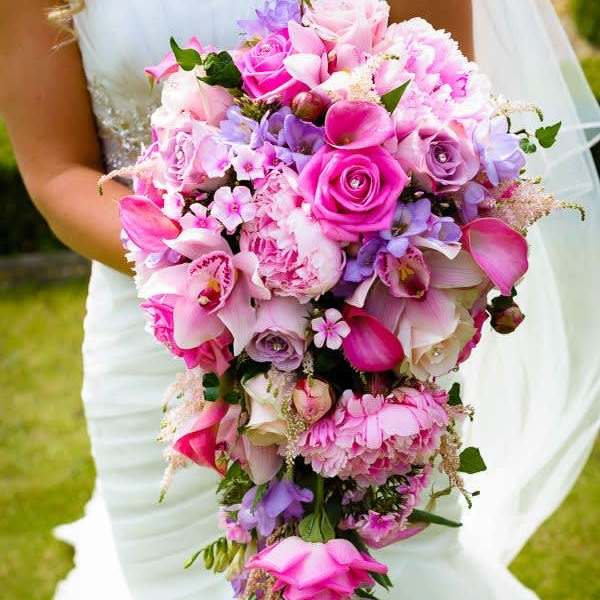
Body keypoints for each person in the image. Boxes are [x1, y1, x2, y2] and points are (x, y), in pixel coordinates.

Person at [0, 1, 598, 599]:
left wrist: (330, 265)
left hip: (369, 340)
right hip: (159, 335)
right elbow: (57, 171)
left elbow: (446, 114)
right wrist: (221, 262)